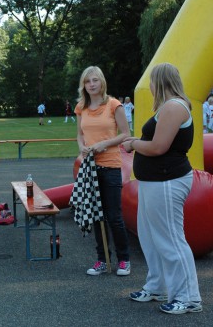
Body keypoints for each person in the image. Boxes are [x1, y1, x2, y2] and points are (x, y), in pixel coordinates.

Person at [122, 63, 202, 314]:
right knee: (150, 237)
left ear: (161, 81)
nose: (150, 86)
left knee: (171, 240)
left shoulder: (174, 106)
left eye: (152, 81)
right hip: (154, 181)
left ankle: (188, 298)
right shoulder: (168, 106)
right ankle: (157, 286)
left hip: (167, 181)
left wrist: (133, 143)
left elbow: (158, 147)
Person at [74, 66, 131, 276]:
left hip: (111, 166)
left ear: (102, 82)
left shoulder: (114, 104)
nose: (92, 84)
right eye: (88, 81)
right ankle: (102, 259)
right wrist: (82, 147)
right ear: (84, 85)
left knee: (114, 215)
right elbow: (79, 135)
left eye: (95, 80)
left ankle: (124, 260)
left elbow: (125, 134)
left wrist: (104, 144)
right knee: (96, 215)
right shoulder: (81, 107)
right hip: (90, 167)